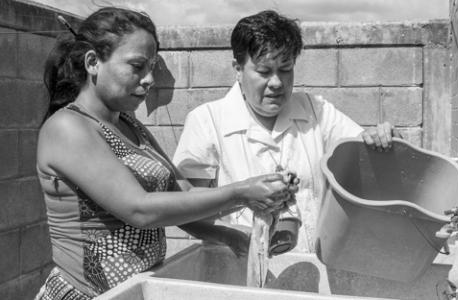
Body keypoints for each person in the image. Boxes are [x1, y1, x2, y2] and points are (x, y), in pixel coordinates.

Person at [35, 7, 296, 300]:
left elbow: (182, 198)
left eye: (152, 67)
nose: (149, 79)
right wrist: (242, 194)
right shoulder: (68, 127)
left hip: (135, 291)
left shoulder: (131, 126)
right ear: (93, 63)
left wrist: (232, 233)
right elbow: (140, 209)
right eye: (137, 66)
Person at [173, 10, 401, 253]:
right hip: (235, 265)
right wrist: (234, 238)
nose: (276, 83)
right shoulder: (207, 121)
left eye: (285, 69)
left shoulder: (316, 111)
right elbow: (186, 209)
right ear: (238, 69)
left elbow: (365, 153)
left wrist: (383, 139)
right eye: (263, 72)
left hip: (311, 268)